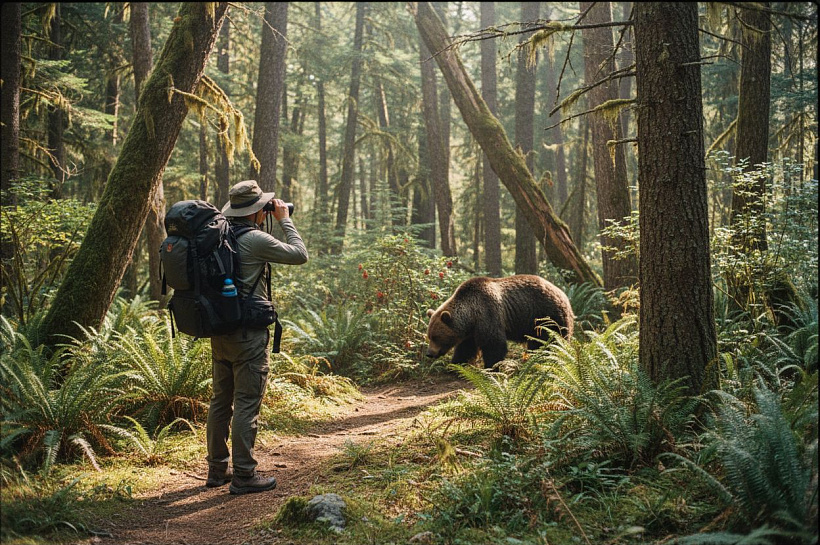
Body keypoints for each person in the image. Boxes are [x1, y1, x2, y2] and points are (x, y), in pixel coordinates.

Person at [205, 180, 308, 495]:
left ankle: (216, 470)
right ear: (256, 211)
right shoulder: (255, 239)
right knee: (247, 401)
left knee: (220, 401)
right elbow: (299, 254)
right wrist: (285, 220)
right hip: (248, 335)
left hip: (219, 331)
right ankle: (245, 475)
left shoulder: (217, 236)